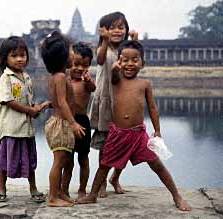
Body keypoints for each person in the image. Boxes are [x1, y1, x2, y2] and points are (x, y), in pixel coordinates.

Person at [78, 40, 191, 212]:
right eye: (125, 60)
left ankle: (177, 196)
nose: (130, 64)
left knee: (157, 165)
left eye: (135, 60)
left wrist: (158, 130)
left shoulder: (144, 84)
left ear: (143, 63)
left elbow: (152, 108)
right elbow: (113, 74)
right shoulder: (115, 80)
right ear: (118, 62)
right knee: (104, 165)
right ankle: (92, 195)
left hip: (139, 135)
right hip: (118, 133)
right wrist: (115, 69)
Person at [0, 36, 50, 203]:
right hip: (10, 127)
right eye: (14, 55)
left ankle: (33, 188)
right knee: (5, 159)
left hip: (26, 127)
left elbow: (26, 98)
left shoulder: (26, 77)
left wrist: (35, 106)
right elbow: (9, 101)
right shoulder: (5, 78)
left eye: (23, 55)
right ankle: (2, 188)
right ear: (5, 58)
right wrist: (30, 111)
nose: (19, 59)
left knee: (30, 159)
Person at [88, 12, 138, 197]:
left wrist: (136, 41)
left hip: (124, 102)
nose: (117, 31)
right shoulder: (103, 49)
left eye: (121, 27)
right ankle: (101, 183)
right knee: (105, 145)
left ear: (126, 30)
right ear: (105, 31)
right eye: (112, 28)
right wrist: (104, 39)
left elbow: (141, 63)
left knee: (126, 143)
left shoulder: (128, 51)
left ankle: (115, 177)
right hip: (106, 101)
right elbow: (100, 60)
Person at [41, 31, 86, 207]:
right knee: (59, 161)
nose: (73, 55)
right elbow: (62, 102)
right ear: (62, 58)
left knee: (66, 160)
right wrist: (74, 123)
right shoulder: (60, 77)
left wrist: (48, 104)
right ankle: (52, 197)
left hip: (63, 123)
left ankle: (60, 191)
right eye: (70, 52)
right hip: (61, 125)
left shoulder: (58, 76)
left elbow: (57, 102)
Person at [61, 42, 96, 199]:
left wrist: (88, 81)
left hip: (82, 122)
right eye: (76, 64)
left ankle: (82, 189)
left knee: (83, 158)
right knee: (67, 160)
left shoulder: (86, 82)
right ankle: (64, 190)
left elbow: (93, 88)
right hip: (67, 122)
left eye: (85, 65)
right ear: (69, 63)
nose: (80, 68)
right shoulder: (65, 81)